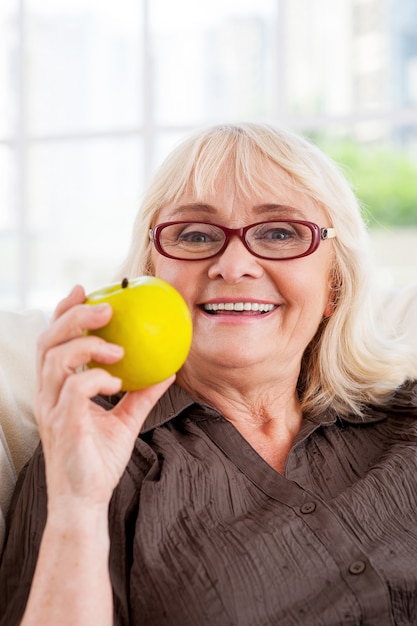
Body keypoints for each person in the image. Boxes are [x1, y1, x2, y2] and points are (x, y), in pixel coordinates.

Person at [1, 122, 417, 626]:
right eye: (195, 234)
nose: (234, 264)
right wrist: (78, 506)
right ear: (152, 276)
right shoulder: (87, 456)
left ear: (334, 284)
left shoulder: (406, 425)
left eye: (280, 233)